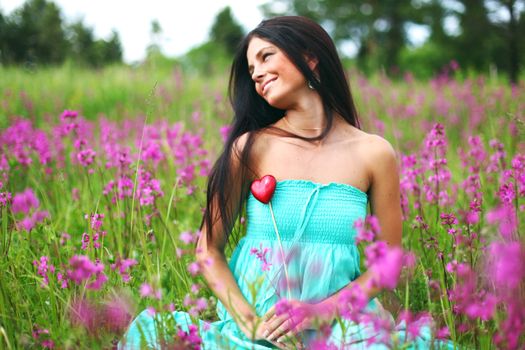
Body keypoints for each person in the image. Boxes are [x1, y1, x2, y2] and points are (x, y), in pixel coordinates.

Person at [120, 16, 450, 349]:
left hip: (338, 325)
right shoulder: (250, 148)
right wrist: (250, 324)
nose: (257, 73)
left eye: (266, 56)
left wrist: (320, 311)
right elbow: (207, 250)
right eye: (251, 69)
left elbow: (388, 262)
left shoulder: (374, 153)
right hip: (263, 326)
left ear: (309, 57)